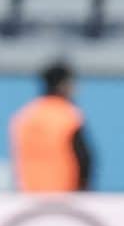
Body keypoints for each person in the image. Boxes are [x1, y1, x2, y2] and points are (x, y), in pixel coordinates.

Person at [9, 62, 89, 193]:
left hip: (29, 194)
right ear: (63, 85)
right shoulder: (68, 116)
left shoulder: (25, 116)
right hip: (64, 195)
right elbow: (84, 158)